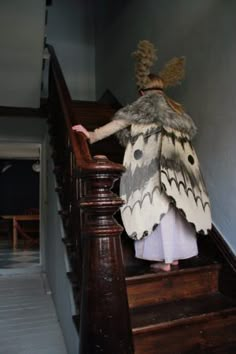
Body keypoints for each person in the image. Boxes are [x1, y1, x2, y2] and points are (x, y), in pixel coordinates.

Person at [73, 40, 212, 272]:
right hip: (178, 172)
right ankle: (175, 257)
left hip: (151, 171)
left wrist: (90, 135)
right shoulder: (176, 109)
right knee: (175, 211)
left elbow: (116, 124)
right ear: (161, 89)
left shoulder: (140, 107)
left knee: (152, 209)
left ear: (141, 91)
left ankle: (164, 260)